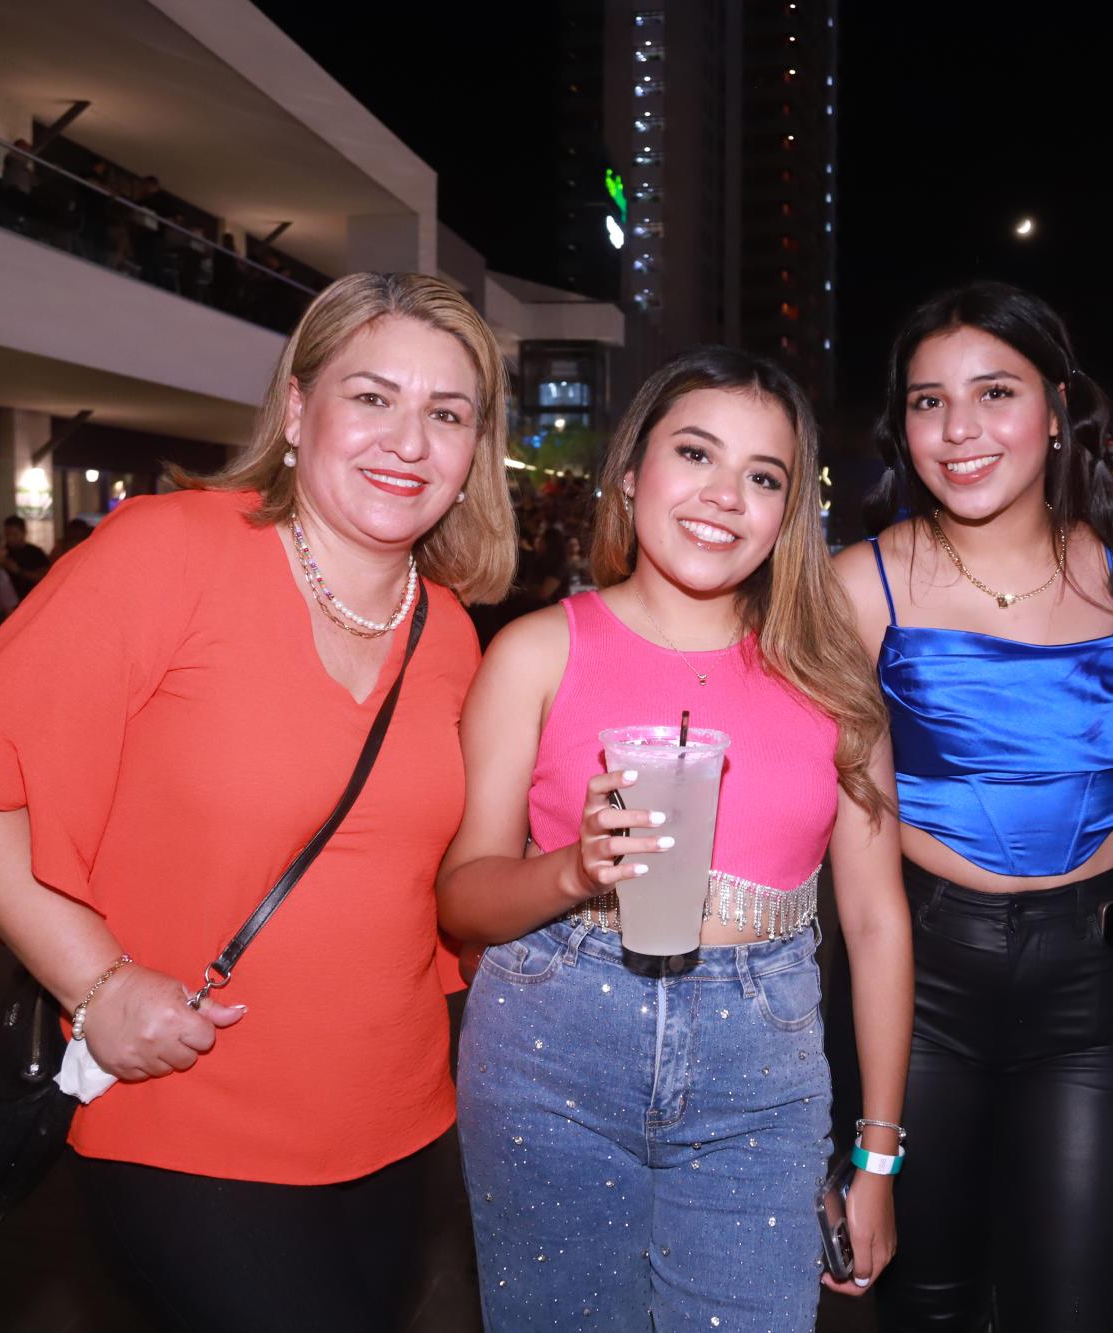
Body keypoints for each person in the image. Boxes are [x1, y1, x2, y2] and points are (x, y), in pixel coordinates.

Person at [0, 272, 516, 1332]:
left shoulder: (451, 634)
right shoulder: (174, 549)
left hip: (394, 1116)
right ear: (297, 412)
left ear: (475, 448)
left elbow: (426, 875)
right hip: (184, 1104)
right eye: (372, 396)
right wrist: (96, 982)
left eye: (447, 413)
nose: (409, 440)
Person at [439, 347, 911, 1332]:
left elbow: (873, 923)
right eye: (694, 453)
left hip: (762, 1072)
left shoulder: (833, 684)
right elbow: (461, 896)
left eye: (762, 476)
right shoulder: (534, 649)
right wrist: (573, 867)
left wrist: (873, 1158)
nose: (723, 495)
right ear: (630, 475)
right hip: (546, 1048)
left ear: (787, 513)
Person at [828, 282, 1113, 1331]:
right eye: (927, 401)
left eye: (993, 392)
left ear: (1057, 409)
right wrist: (870, 1150)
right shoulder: (856, 588)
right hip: (920, 982)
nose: (958, 429)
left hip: (1103, 987)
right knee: (924, 1305)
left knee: (1080, 1306)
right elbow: (864, 891)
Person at [0, 514, 51, 598]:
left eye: (14, 534)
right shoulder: (2, 551)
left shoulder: (35, 552)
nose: (10, 538)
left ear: (24, 533)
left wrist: (19, 571)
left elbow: (44, 577)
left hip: (31, 597)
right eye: (7, 534)